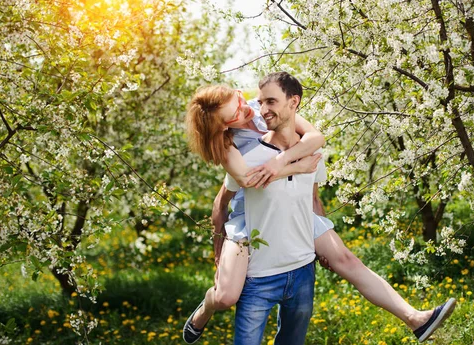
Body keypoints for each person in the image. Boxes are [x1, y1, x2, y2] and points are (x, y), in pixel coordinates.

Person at [183, 73, 456, 344]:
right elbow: (234, 191)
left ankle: (416, 319)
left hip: (293, 208)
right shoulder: (229, 144)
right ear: (222, 126)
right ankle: (205, 309)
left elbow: (314, 139)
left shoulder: (263, 108)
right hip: (253, 215)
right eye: (236, 113)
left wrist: (318, 227)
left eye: (240, 100)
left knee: (347, 260)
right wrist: (218, 249)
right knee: (225, 296)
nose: (248, 108)